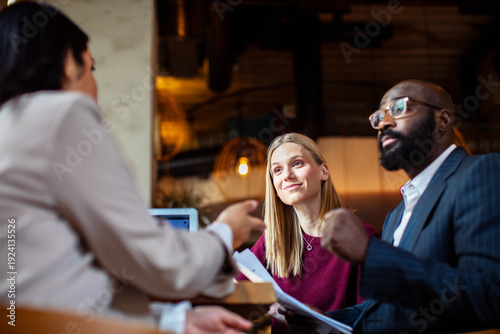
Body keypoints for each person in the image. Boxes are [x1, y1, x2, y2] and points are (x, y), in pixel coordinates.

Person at [0, 2, 266, 333]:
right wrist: (225, 233)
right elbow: (158, 262)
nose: (94, 89)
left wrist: (173, 320)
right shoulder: (60, 114)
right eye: (91, 68)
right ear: (69, 63)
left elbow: (54, 281)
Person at [285, 79, 500, 333]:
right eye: (378, 117)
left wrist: (370, 253)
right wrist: (324, 321)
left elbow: (489, 293)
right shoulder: (395, 217)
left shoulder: (480, 173)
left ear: (443, 120)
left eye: (399, 109)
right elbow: (383, 309)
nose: (384, 123)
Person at [235, 133, 379, 333]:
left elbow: (373, 316)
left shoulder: (362, 237)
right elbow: (236, 299)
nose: (286, 175)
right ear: (276, 189)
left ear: (324, 171)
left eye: (297, 164)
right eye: (277, 170)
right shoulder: (272, 241)